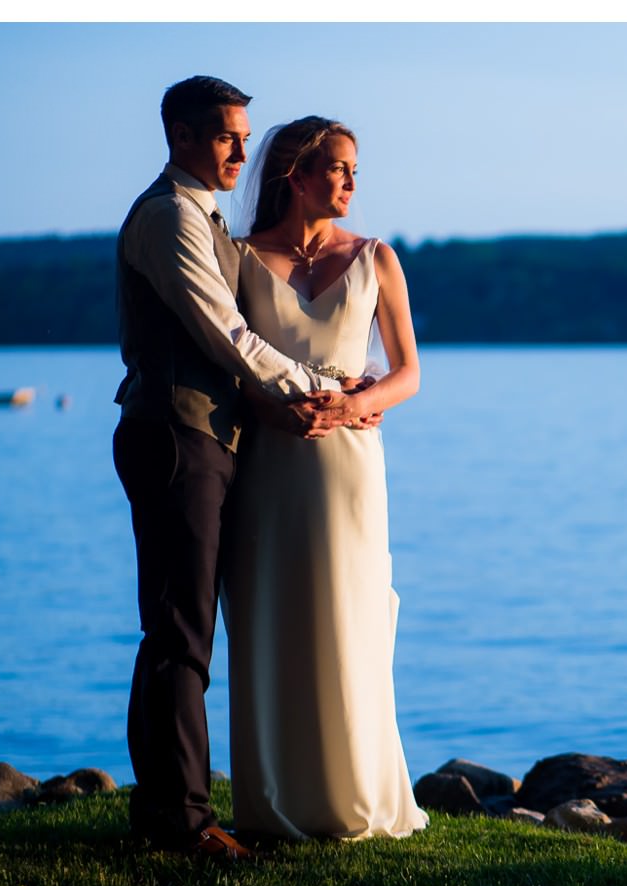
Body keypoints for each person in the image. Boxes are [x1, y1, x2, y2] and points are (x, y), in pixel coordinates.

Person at [113, 76, 365, 859]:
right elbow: (225, 335)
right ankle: (184, 825)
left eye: (245, 137)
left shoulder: (206, 216)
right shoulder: (170, 219)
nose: (241, 151)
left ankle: (164, 809)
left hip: (202, 438)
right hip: (175, 436)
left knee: (177, 629)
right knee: (181, 632)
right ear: (181, 135)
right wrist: (329, 388)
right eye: (226, 135)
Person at [222, 116, 428, 840]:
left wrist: (356, 403)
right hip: (269, 461)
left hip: (349, 465)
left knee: (352, 613)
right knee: (274, 614)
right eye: (337, 168)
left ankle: (357, 795)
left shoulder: (376, 258)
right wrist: (274, 409)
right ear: (295, 174)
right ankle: (276, 799)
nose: (350, 182)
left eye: (353, 171)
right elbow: (225, 364)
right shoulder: (240, 257)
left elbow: (408, 372)